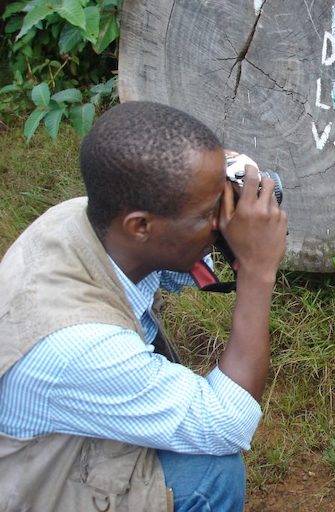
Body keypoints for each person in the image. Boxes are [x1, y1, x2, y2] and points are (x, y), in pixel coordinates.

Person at [0, 101, 288, 511]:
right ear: (141, 226)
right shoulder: (83, 346)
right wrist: (258, 271)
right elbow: (228, 422)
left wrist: (210, 200)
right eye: (211, 212)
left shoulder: (79, 221)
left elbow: (165, 268)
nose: (222, 220)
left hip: (59, 435)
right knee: (211, 473)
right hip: (34, 489)